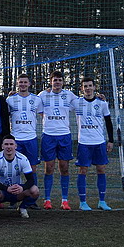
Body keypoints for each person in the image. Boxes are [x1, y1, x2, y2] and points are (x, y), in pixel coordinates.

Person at [72, 77, 114, 211]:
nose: (88, 88)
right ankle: (83, 202)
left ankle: (102, 201)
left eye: (90, 85)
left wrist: (111, 140)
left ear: (94, 87)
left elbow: (108, 122)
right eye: (85, 86)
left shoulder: (102, 103)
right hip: (84, 142)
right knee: (83, 170)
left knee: (101, 169)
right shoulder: (76, 102)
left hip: (99, 142)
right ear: (81, 88)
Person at [38, 71, 78, 210]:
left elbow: (83, 101)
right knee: (49, 167)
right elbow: (38, 109)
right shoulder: (43, 95)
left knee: (64, 168)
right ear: (51, 81)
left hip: (64, 135)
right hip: (48, 135)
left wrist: (98, 97)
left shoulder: (69, 95)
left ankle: (64, 200)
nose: (57, 82)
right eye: (55, 80)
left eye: (60, 80)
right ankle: (47, 199)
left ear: (63, 82)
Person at [6, 74, 43, 209]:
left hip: (31, 138)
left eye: (25, 82)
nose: (22, 84)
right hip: (16, 139)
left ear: (29, 84)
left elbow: (43, 115)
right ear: (17, 83)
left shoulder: (36, 99)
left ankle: (31, 199)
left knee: (32, 168)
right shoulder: (10, 99)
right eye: (20, 82)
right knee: (14, 169)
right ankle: (13, 198)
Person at [0, 135, 40, 219]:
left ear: (15, 146)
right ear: (2, 146)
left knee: (35, 190)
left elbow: (31, 180)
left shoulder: (23, 159)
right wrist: (7, 188)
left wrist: (22, 188)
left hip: (17, 191)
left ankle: (22, 208)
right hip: (2, 192)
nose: (9, 147)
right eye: (6, 144)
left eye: (11, 144)